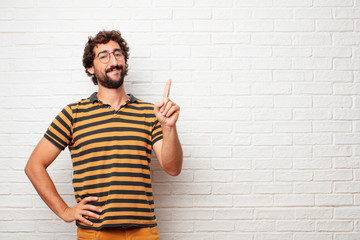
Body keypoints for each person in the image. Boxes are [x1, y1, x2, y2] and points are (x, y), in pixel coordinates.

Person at [25, 30, 183, 240]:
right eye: (104, 55)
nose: (114, 61)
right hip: (95, 232)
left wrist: (169, 127)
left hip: (144, 231)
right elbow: (34, 165)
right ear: (90, 67)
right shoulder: (74, 113)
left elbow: (172, 168)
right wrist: (65, 211)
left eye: (118, 54)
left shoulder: (150, 113)